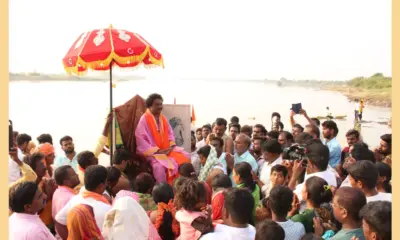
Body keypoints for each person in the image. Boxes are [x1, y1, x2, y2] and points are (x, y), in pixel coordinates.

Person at [135, 93, 190, 184]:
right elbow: (141, 139)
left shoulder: (163, 118)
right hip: (153, 153)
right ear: (150, 106)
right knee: (159, 168)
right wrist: (158, 151)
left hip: (167, 150)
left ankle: (183, 185)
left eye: (161, 104)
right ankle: (164, 190)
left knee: (186, 156)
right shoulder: (144, 119)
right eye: (157, 104)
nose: (160, 107)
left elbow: (170, 134)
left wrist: (170, 147)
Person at [55, 165, 112, 231]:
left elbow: (59, 222)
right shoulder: (107, 209)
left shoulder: (75, 199)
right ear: (101, 186)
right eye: (106, 182)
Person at [52, 165, 80, 239]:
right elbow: (61, 224)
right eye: (74, 174)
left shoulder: (58, 191)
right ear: (66, 181)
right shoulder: (70, 198)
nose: (77, 175)